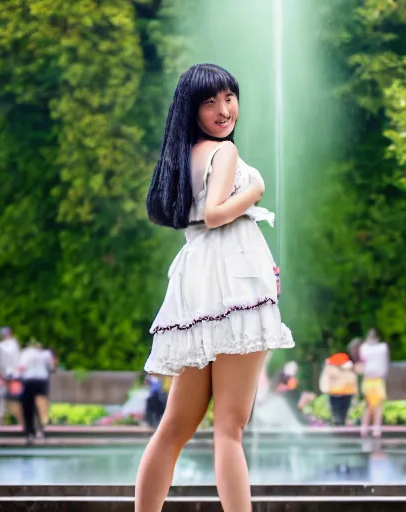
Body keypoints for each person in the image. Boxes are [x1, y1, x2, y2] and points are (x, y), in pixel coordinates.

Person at [135, 63, 294, 512]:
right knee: (229, 428)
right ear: (192, 108)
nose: (224, 110)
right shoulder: (223, 153)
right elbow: (217, 215)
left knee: (174, 428)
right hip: (230, 292)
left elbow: (208, 226)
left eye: (229, 97)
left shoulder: (184, 154)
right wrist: (257, 187)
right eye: (210, 102)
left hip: (201, 283)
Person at [18, 339, 54, 444]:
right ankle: (40, 429)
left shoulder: (25, 353)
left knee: (28, 407)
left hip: (28, 380)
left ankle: (30, 432)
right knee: (41, 405)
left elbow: (21, 367)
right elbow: (51, 367)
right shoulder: (46, 354)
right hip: (42, 381)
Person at [358, 328, 389, 438]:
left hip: (375, 379)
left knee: (375, 405)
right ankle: (369, 427)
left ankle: (371, 427)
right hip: (371, 379)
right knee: (370, 404)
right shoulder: (379, 348)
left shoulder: (373, 348)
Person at [319, 352, 358, 426]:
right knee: (339, 410)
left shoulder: (334, 368)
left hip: (342, 393)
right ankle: (339, 421)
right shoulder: (334, 368)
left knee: (339, 410)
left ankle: (339, 421)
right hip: (339, 392)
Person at [0, 327, 23, 427]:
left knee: (2, 398)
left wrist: (1, 374)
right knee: (16, 397)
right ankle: (17, 420)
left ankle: (0, 420)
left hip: (5, 375)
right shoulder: (15, 344)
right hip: (15, 374)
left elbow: (0, 361)